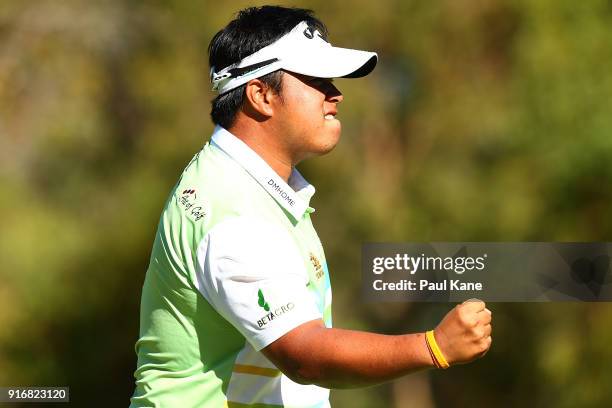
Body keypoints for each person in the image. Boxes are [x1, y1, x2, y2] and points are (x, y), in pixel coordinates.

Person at [130, 5, 493, 407]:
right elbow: (305, 357)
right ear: (261, 95)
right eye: (315, 79)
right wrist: (433, 347)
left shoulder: (248, 188)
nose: (335, 94)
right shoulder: (234, 213)